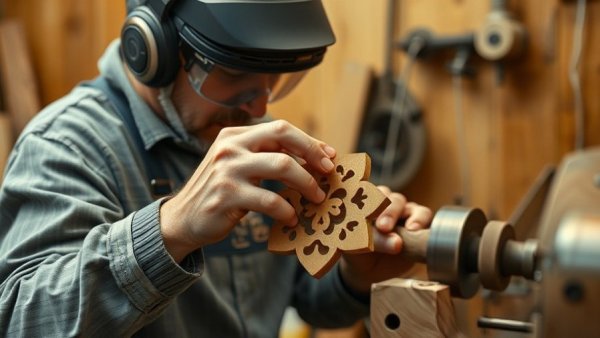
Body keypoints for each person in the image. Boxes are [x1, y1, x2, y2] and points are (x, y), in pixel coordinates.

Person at [0, 0, 432, 336]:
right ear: (151, 49)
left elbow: (301, 297)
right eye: (232, 73)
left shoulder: (257, 141)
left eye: (273, 79)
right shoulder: (68, 146)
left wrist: (354, 276)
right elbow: (21, 323)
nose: (260, 105)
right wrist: (170, 230)